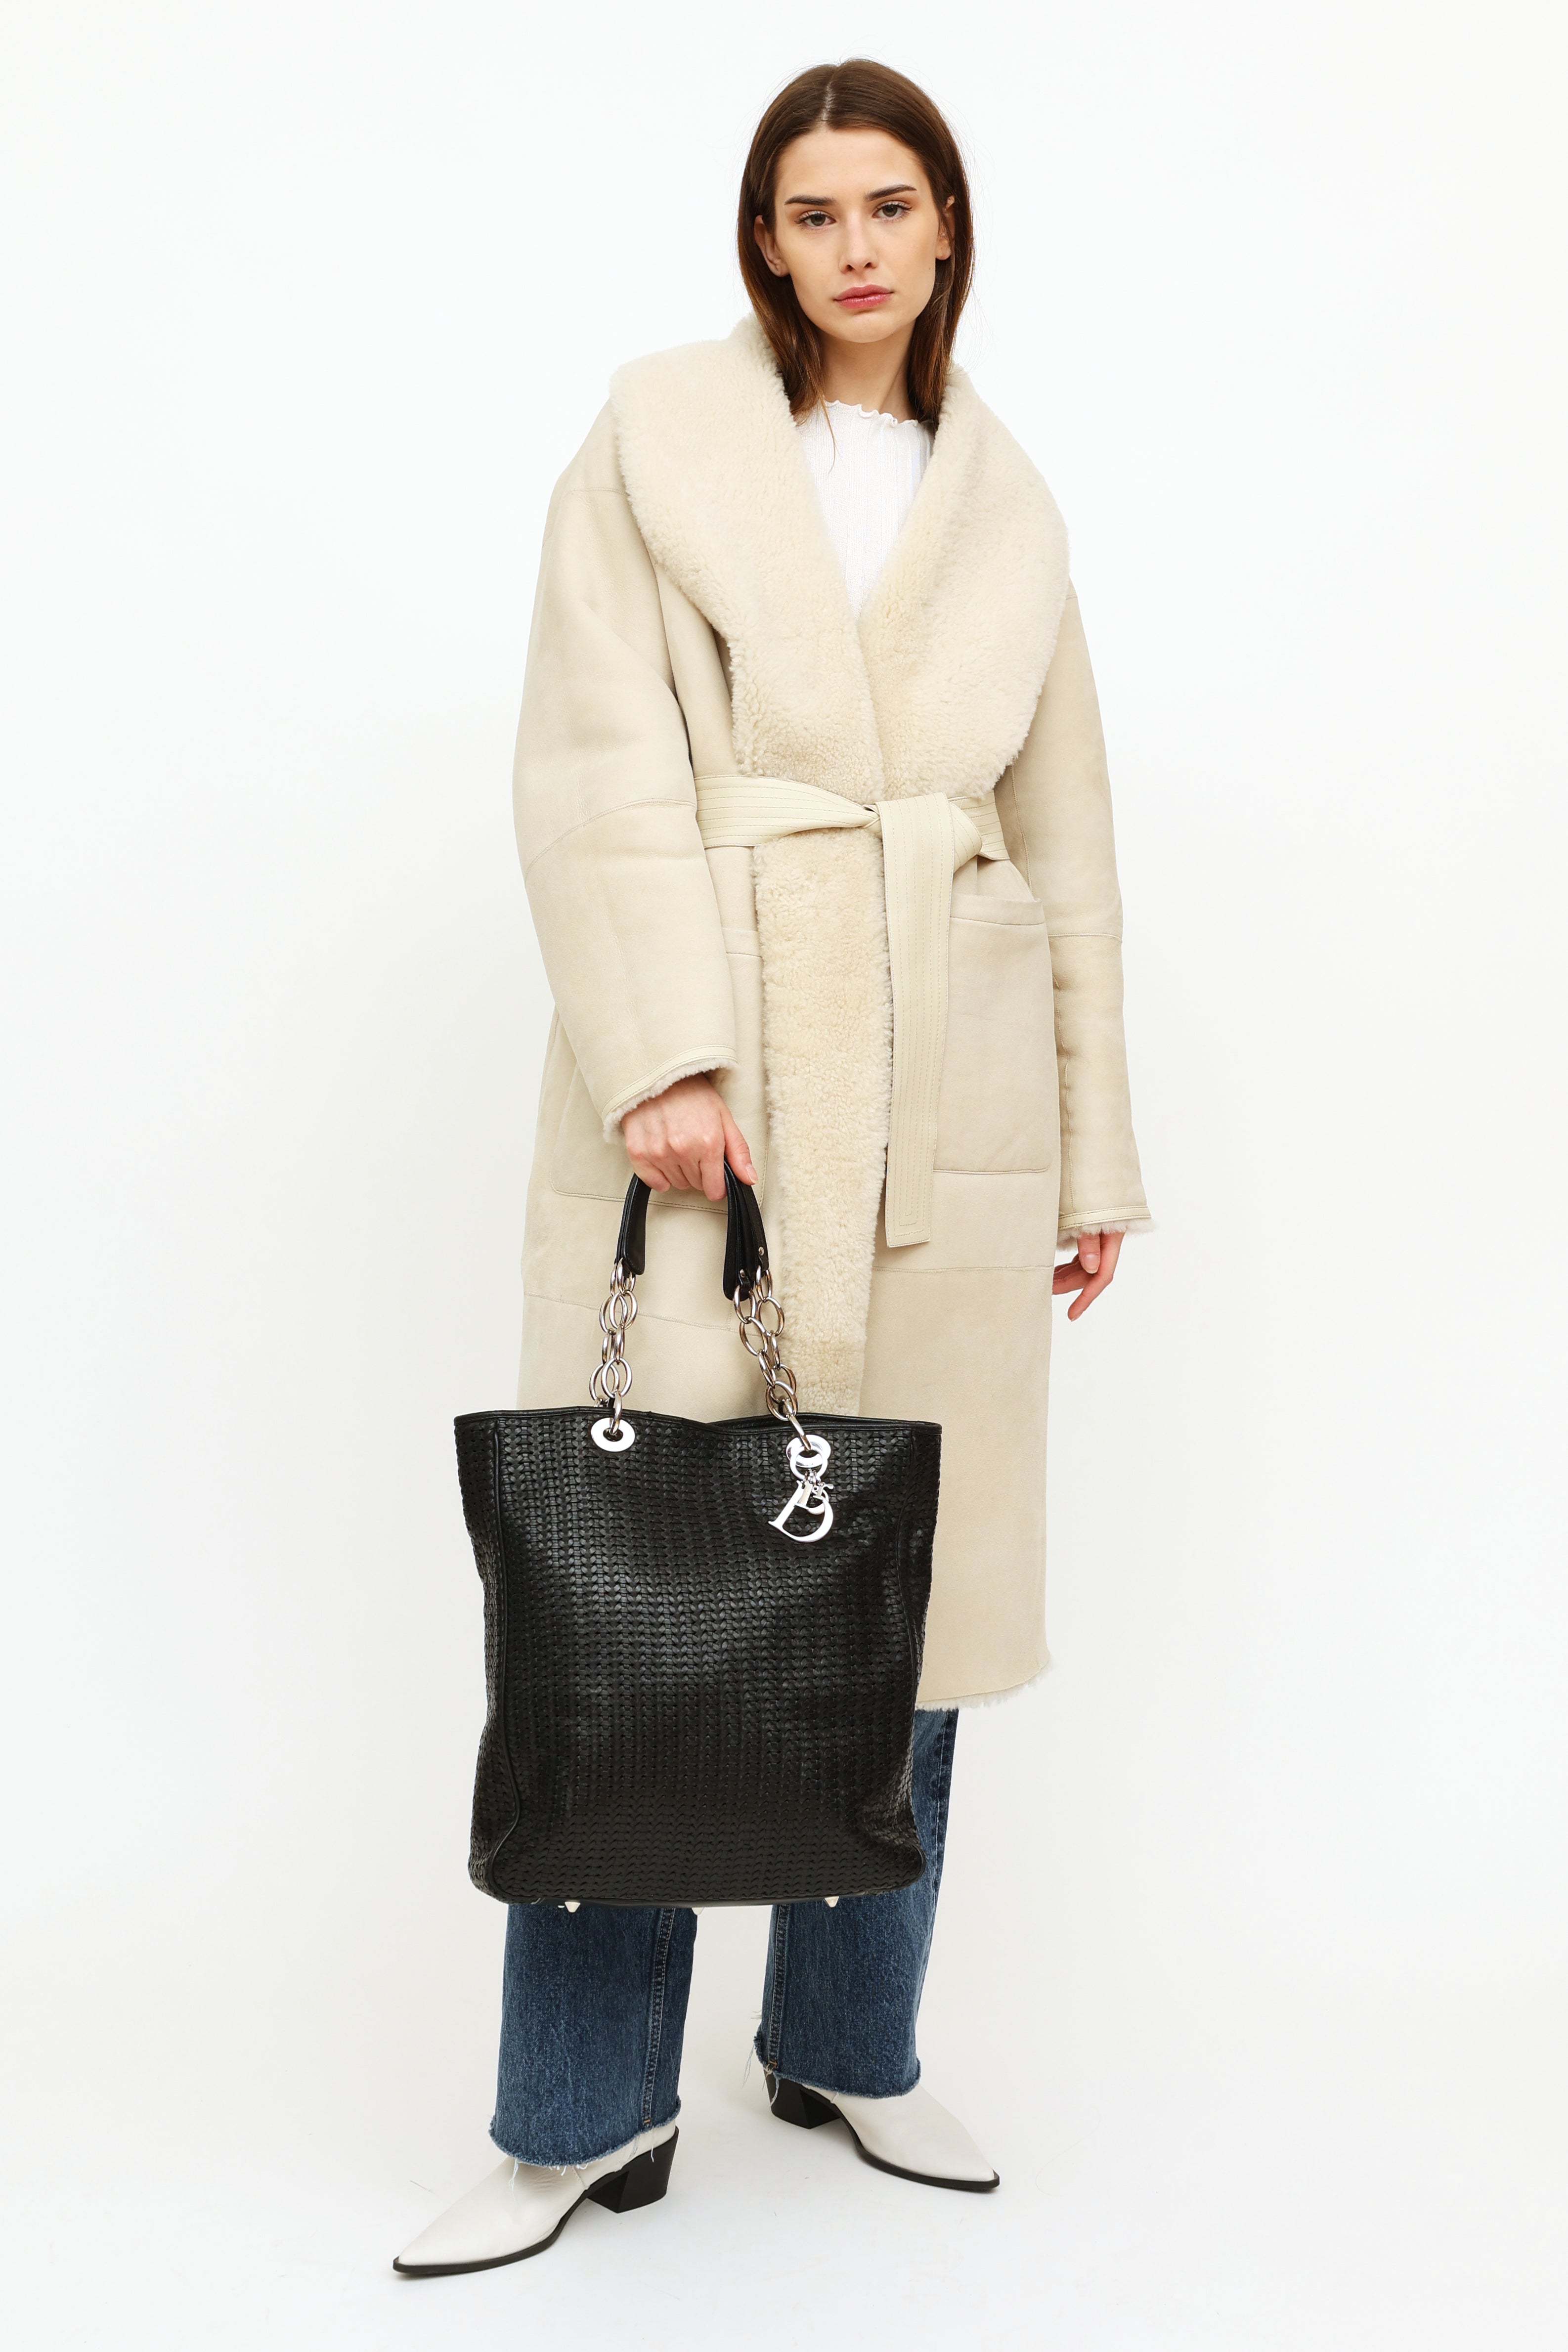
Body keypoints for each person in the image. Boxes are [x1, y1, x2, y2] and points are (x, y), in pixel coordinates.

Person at [395, 55, 1150, 2278]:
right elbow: (591, 749)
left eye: (887, 206)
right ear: (764, 239)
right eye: (811, 212)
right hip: (716, 1082)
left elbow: (1069, 840)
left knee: (910, 1585)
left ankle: (849, 2041)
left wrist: (1084, 1145)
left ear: (944, 226)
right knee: (636, 1602)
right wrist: (661, 1046)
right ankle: (576, 2112)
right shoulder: (653, 442)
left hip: (949, 1087)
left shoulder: (1008, 504)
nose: (852, 247)